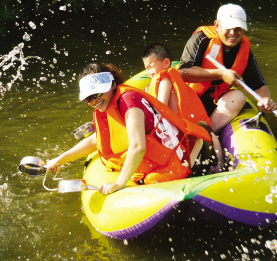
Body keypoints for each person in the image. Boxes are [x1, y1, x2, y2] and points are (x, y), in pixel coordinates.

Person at [45, 63, 212, 195]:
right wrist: (59, 160)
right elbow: (96, 140)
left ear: (111, 85)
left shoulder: (129, 101)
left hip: (191, 157)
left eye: (96, 94)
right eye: (88, 98)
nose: (93, 101)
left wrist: (119, 183)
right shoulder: (108, 106)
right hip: (162, 161)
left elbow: (138, 147)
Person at [178, 4, 277, 134]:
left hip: (215, 104)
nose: (233, 33)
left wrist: (265, 100)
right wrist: (221, 74)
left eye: (238, 28)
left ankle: (207, 133)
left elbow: (258, 84)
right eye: (228, 27)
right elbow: (183, 73)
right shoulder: (201, 39)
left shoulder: (245, 52)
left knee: (239, 96)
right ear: (217, 25)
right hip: (188, 97)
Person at [142, 43, 224, 171]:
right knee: (212, 139)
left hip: (189, 131)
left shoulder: (165, 79)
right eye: (146, 68)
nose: (149, 72)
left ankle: (217, 167)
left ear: (166, 62)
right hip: (197, 129)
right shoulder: (161, 80)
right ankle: (220, 167)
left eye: (151, 67)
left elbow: (160, 109)